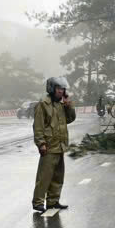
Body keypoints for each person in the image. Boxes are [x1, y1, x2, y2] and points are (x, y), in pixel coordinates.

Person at [32, 76, 77, 213]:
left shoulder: (60, 105)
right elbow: (38, 126)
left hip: (60, 146)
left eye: (63, 89)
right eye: (58, 89)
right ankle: (38, 202)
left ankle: (53, 201)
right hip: (49, 146)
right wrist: (41, 144)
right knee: (44, 177)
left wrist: (69, 105)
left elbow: (70, 119)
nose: (61, 91)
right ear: (51, 89)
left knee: (58, 176)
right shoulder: (42, 105)